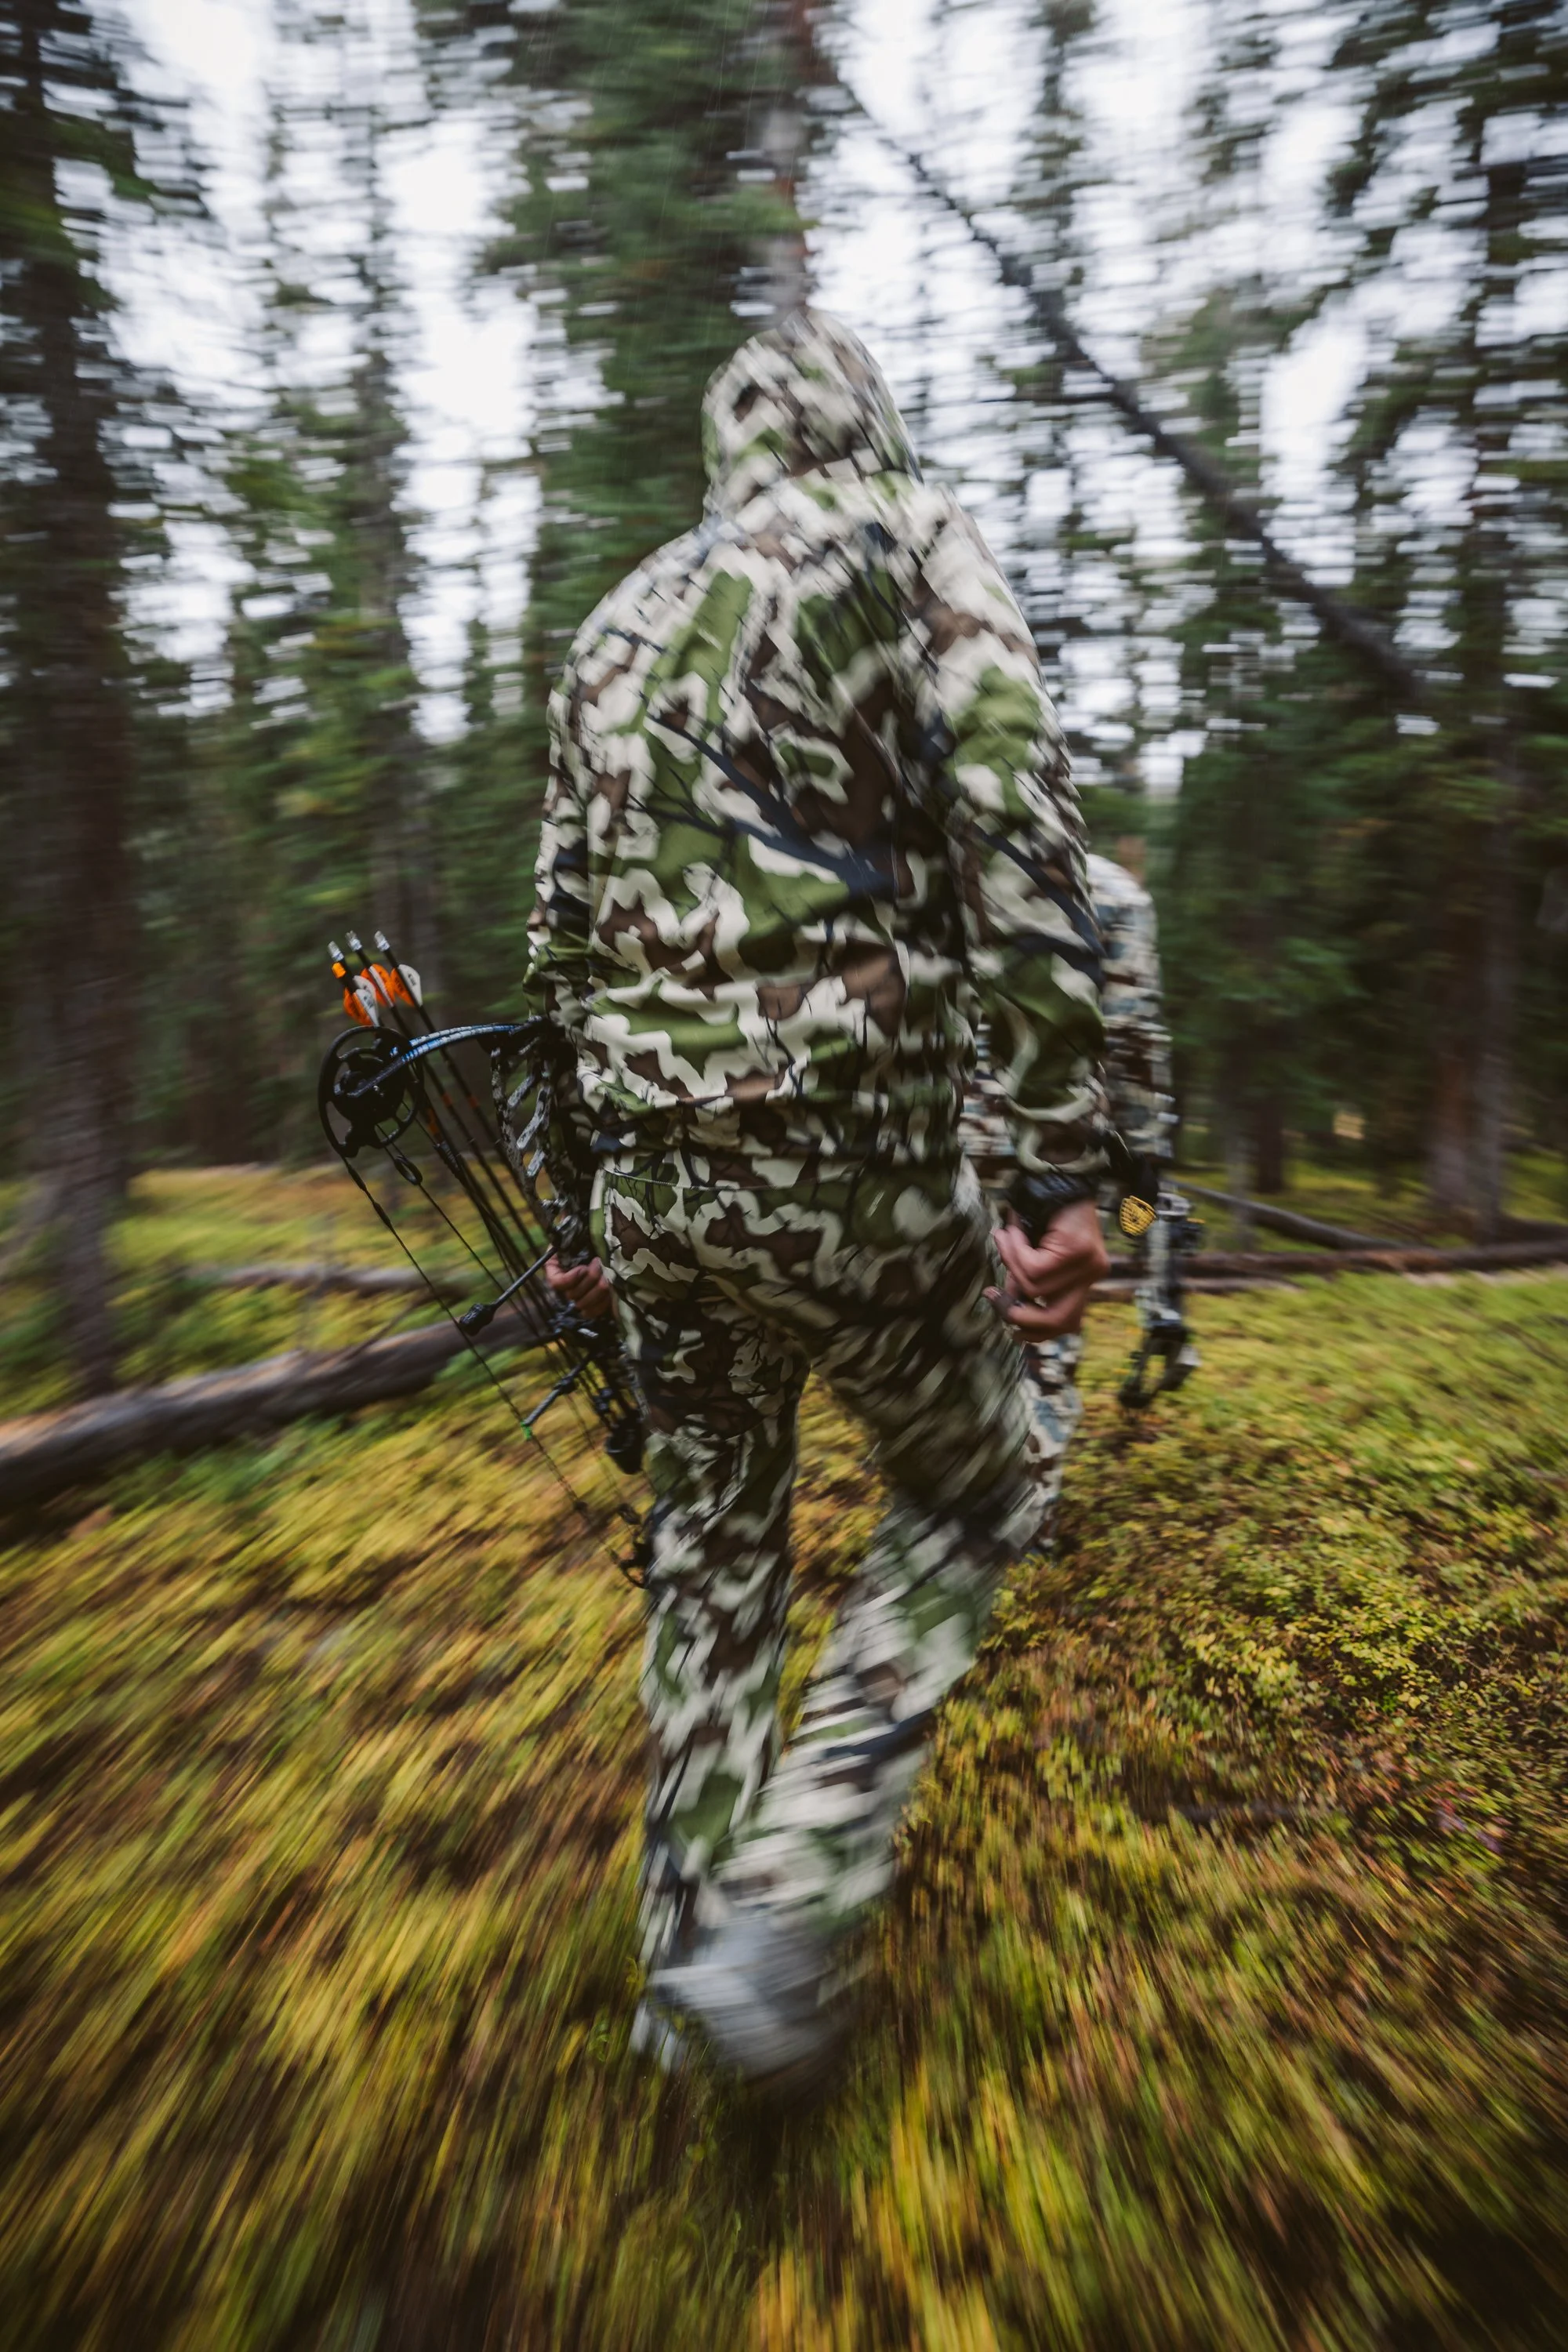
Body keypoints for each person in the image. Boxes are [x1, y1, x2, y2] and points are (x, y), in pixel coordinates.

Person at [525, 310, 1110, 2091]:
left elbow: (555, 947)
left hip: (644, 1180)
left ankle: (676, 1971)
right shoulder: (907, 532)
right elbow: (1016, 813)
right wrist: (1058, 1159)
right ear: (863, 418)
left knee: (708, 1546)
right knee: (975, 1480)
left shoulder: (611, 622)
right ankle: (791, 1901)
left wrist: (575, 1209)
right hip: (845, 1162)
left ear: (724, 445)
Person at [960, 851, 1175, 1526]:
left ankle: (941, 1491)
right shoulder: (1111, 891)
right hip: (1046, 1154)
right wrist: (1141, 1164)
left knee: (939, 1316)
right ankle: (1025, 1512)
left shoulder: (924, 866)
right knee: (1038, 1336)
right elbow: (1134, 1034)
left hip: (931, 1137)